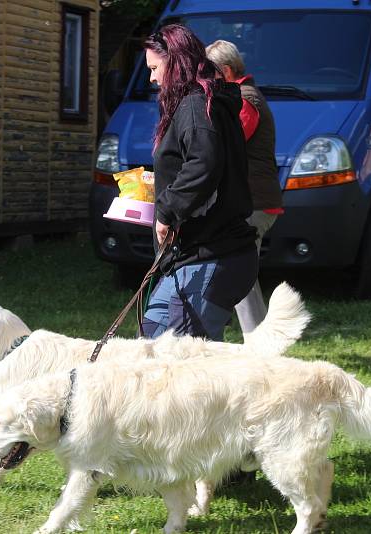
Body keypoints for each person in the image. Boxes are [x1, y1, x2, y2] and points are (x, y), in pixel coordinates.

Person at [140, 25, 257, 342]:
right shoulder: (198, 104)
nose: (151, 78)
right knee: (149, 346)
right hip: (189, 257)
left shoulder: (196, 104)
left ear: (175, 62)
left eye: (154, 68)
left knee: (191, 371)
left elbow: (204, 164)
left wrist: (167, 210)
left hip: (213, 255)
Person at [206, 40, 284, 335]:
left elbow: (229, 143)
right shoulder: (242, 96)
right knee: (239, 273)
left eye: (209, 73)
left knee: (237, 272)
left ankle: (259, 345)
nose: (205, 80)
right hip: (253, 201)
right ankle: (257, 342)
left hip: (254, 203)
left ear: (225, 71)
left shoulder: (245, 99)